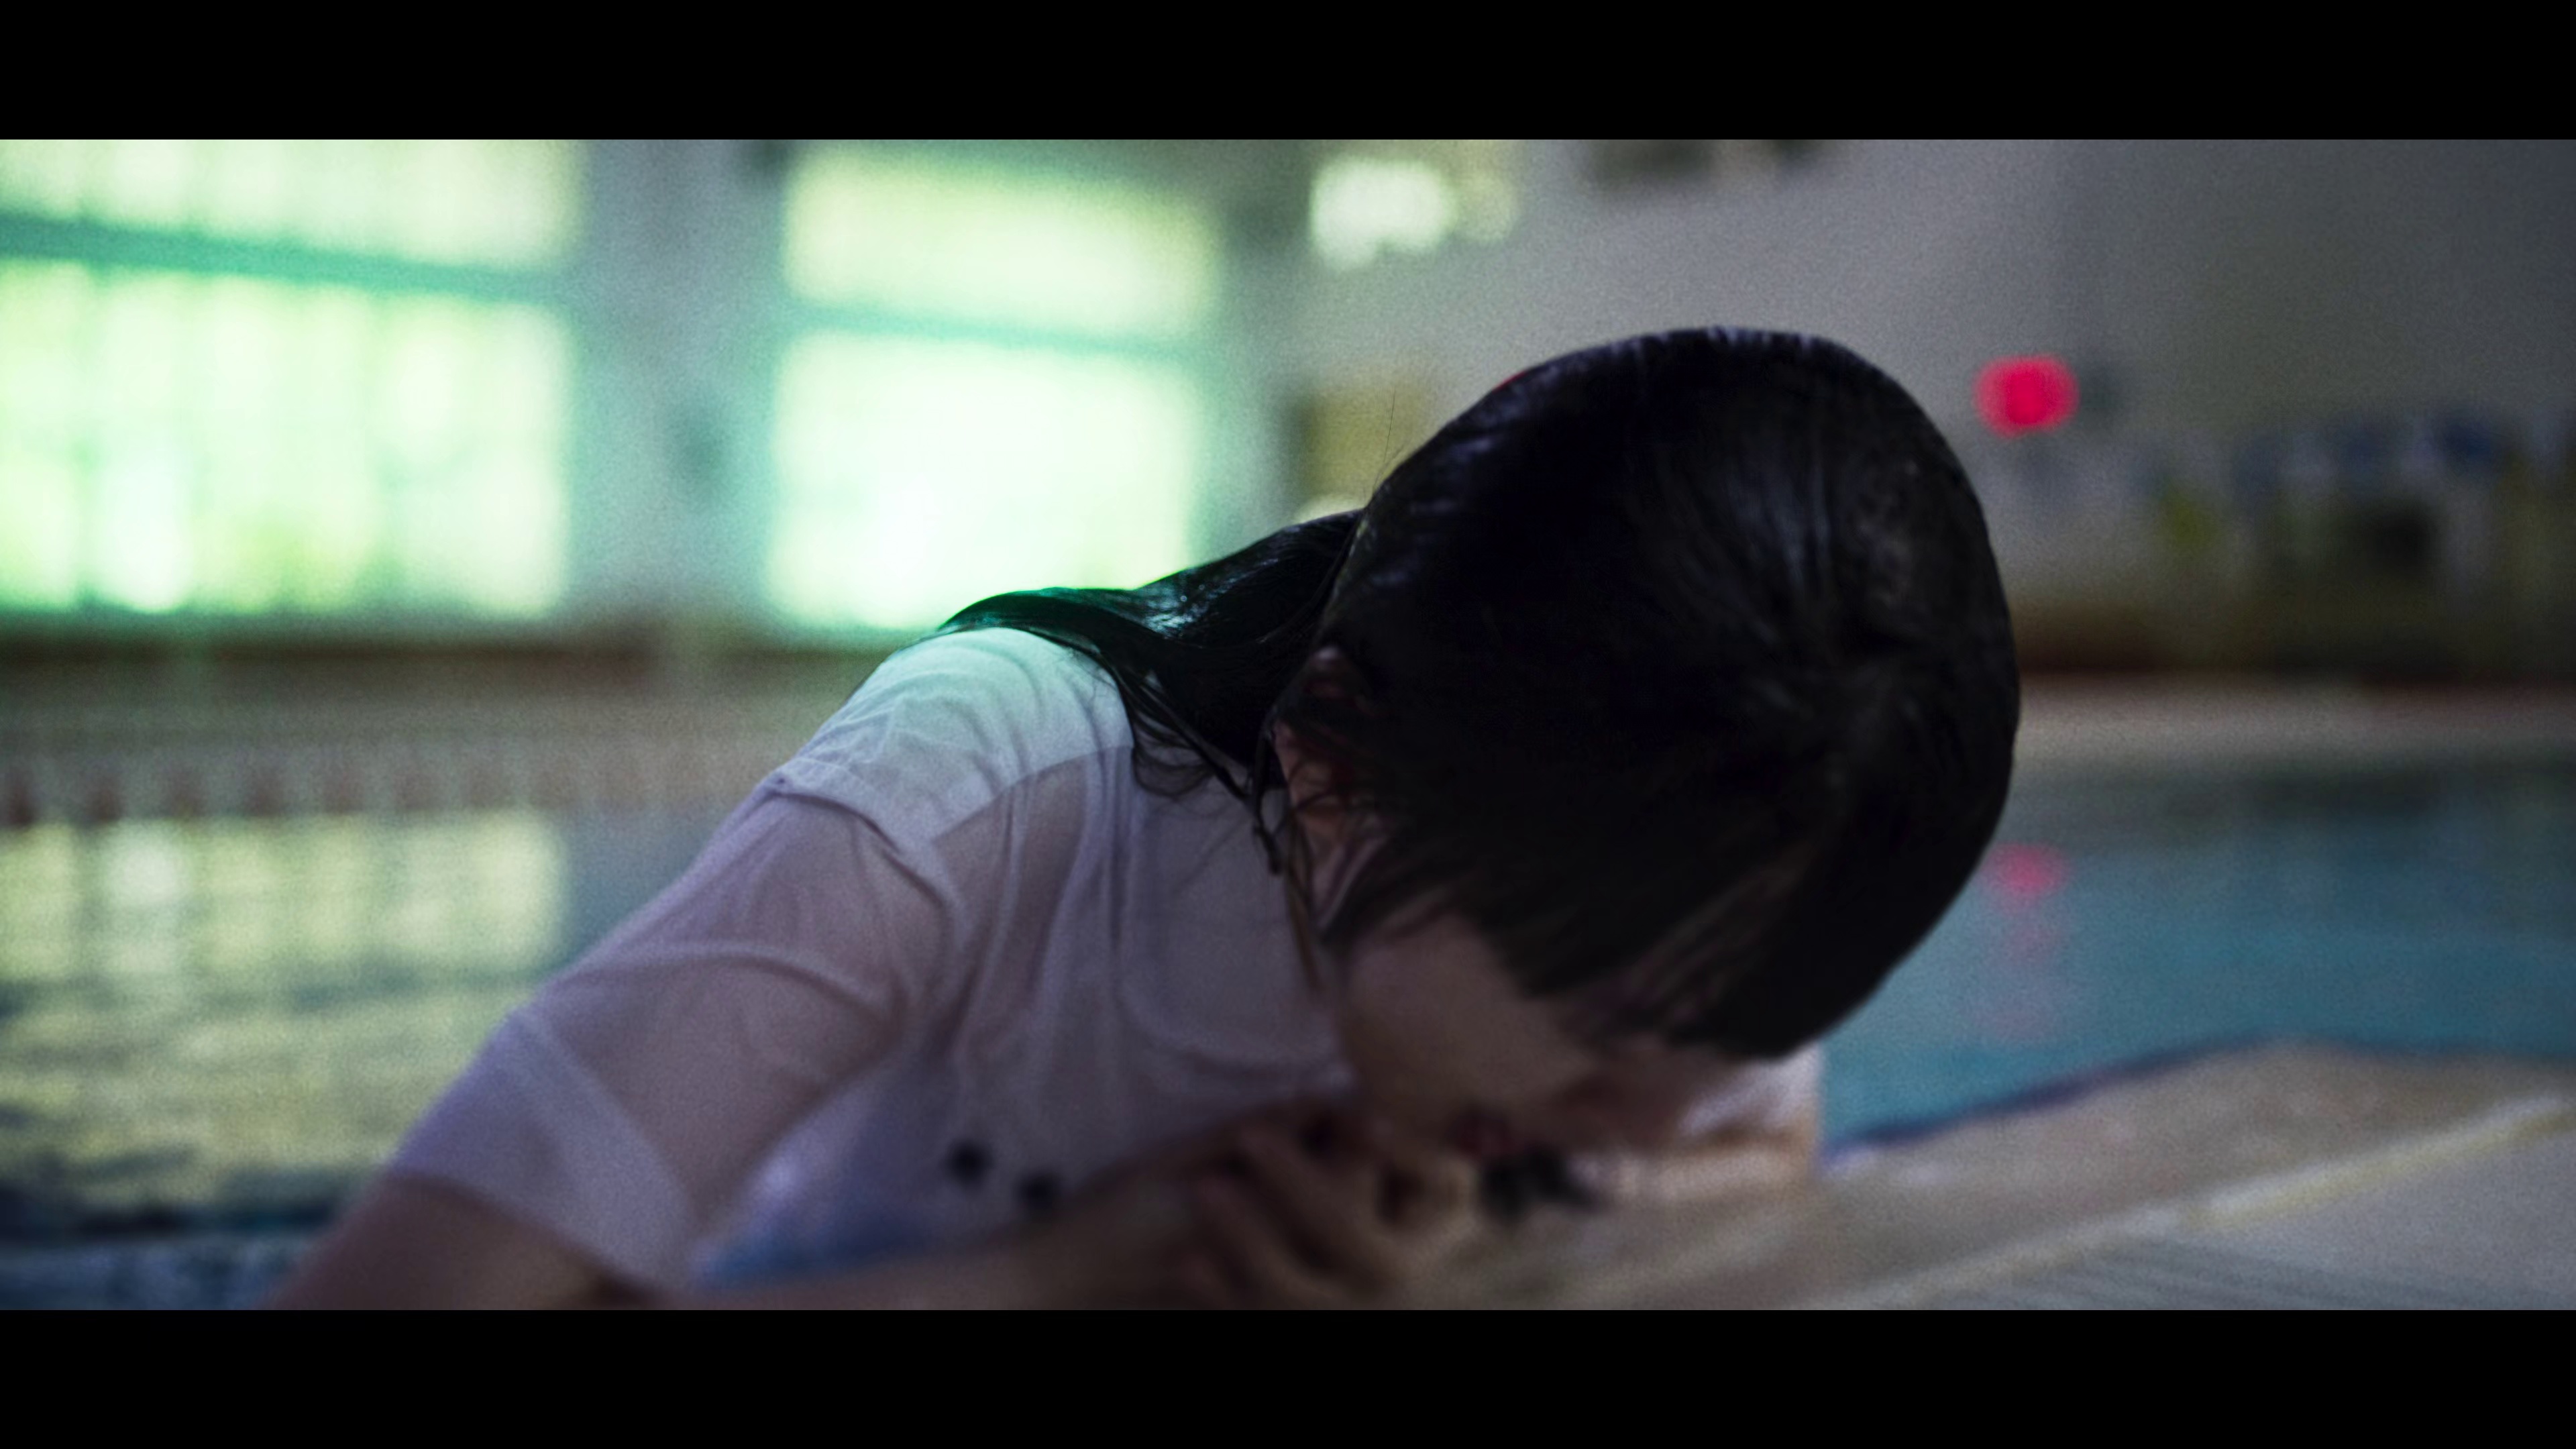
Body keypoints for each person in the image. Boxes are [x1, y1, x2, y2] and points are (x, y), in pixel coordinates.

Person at [271, 327, 2019, 1309]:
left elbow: (1757, 1147)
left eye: (1729, 1038)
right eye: (1614, 1035)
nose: (1660, 1107)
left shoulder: (1712, 878)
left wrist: (1499, 1225)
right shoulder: (988, 792)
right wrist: (1062, 1279)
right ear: (1333, 769)